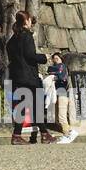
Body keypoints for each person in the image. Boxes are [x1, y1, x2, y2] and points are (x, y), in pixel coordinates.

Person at [7, 11, 55, 144]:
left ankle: (17, 135)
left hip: (17, 77)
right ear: (26, 21)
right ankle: (44, 135)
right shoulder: (26, 36)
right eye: (29, 20)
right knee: (38, 106)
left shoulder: (11, 40)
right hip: (29, 77)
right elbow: (30, 55)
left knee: (21, 107)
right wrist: (43, 58)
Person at [47, 53, 78, 144]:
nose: (55, 60)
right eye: (54, 59)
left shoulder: (62, 66)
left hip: (62, 94)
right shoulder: (56, 68)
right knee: (56, 117)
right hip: (56, 94)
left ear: (61, 59)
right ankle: (66, 133)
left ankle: (68, 134)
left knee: (61, 116)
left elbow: (61, 77)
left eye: (57, 58)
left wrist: (53, 76)